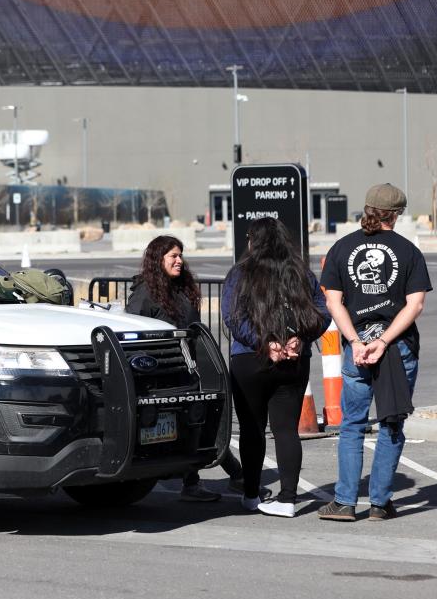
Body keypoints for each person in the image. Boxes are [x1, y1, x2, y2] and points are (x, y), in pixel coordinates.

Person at [317, 183, 431, 522]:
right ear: (395, 215)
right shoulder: (408, 251)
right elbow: (416, 303)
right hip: (397, 348)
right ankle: (380, 503)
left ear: (367, 208)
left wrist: (355, 341)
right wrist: (383, 341)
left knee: (352, 424)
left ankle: (345, 502)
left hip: (357, 346)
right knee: (391, 423)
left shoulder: (342, 248)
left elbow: (333, 301)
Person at [222, 218, 329, 517]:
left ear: (254, 240)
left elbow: (233, 317)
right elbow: (322, 311)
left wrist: (265, 344)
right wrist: (299, 339)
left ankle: (251, 494)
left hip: (249, 359)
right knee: (286, 430)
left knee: (251, 430)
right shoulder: (300, 273)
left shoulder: (240, 273)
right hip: (294, 362)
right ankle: (287, 499)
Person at [126, 235, 244, 501]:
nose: (180, 261)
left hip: (189, 371)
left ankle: (220, 479)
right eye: (173, 256)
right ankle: (220, 478)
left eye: (181, 255)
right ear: (159, 260)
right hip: (161, 377)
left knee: (204, 422)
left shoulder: (181, 289)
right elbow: (132, 335)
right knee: (194, 426)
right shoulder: (144, 294)